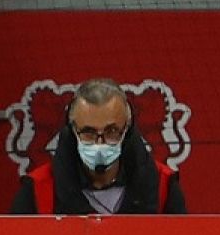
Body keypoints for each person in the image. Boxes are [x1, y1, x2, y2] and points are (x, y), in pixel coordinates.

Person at [11, 78, 187, 214]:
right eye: (88, 132)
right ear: (72, 130)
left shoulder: (163, 188)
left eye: (111, 131)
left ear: (128, 129)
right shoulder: (37, 191)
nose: (99, 143)